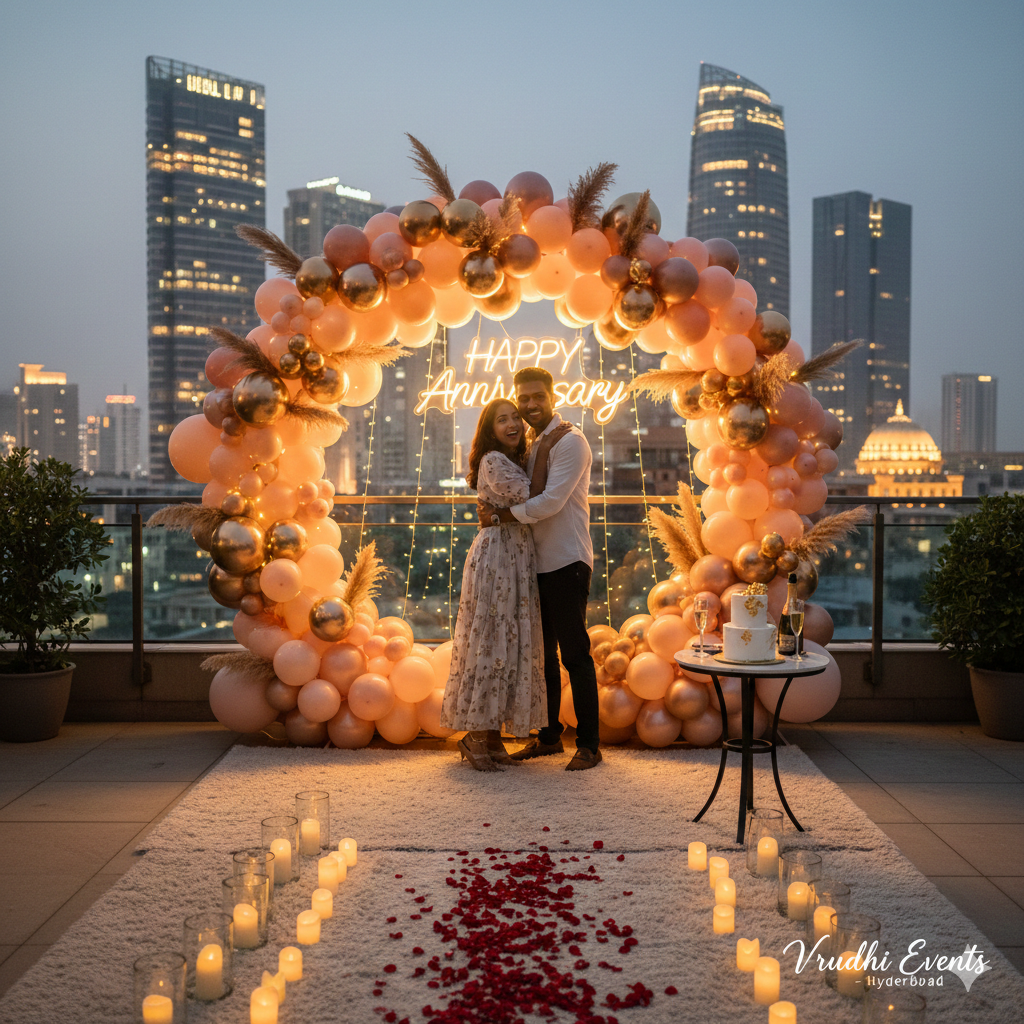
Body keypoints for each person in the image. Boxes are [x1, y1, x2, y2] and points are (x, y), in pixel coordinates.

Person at [477, 367, 602, 771]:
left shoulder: (570, 441)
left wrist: (500, 517)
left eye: (537, 397)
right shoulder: (532, 444)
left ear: (552, 396)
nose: (530, 405)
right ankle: (549, 738)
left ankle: (590, 745)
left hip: (567, 559)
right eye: (523, 398)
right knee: (542, 656)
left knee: (575, 655)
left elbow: (550, 502)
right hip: (534, 564)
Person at [440, 397, 571, 771]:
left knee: (508, 647)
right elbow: (534, 496)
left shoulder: (512, 460)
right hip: (498, 559)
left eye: (515, 417)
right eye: (502, 420)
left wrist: (501, 515)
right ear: (489, 429)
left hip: (515, 556)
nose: (513, 424)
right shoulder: (494, 460)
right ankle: (475, 736)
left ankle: (493, 738)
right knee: (492, 642)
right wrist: (548, 444)